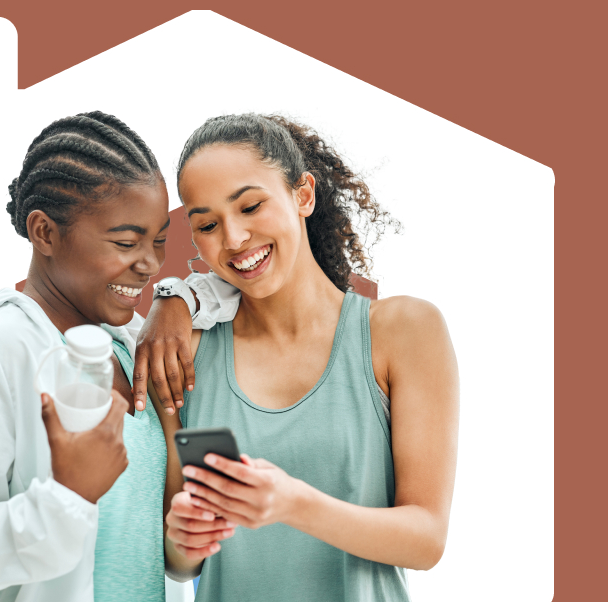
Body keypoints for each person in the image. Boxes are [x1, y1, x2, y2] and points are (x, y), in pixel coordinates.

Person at [0, 112, 236, 602]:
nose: (151, 265)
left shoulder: (135, 341)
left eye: (159, 242)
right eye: (126, 243)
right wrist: (67, 496)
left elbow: (250, 283)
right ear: (45, 233)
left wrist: (178, 300)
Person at [147, 114, 460, 601]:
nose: (232, 239)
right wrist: (184, 537)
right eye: (207, 224)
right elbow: (180, 564)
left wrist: (294, 504)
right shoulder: (183, 352)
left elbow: (425, 540)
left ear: (303, 195)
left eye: (250, 206)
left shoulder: (402, 332)